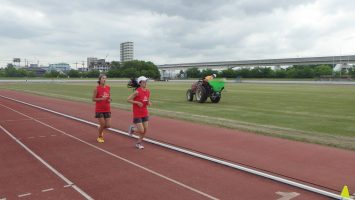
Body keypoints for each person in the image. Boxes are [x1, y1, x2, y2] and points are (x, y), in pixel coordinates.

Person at [127, 76, 151, 149]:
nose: (145, 83)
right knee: (141, 130)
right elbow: (128, 99)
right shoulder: (137, 91)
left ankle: (138, 143)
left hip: (145, 112)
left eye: (146, 82)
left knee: (145, 130)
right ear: (140, 83)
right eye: (144, 82)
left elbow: (146, 100)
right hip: (137, 113)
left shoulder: (148, 91)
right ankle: (132, 129)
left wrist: (148, 102)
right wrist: (137, 102)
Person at [92, 74, 111, 143]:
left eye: (105, 78)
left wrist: (109, 100)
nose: (104, 80)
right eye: (103, 78)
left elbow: (108, 97)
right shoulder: (96, 88)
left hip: (107, 109)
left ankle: (100, 128)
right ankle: (100, 136)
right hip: (99, 109)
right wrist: (101, 99)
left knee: (108, 125)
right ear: (99, 80)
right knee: (103, 124)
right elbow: (93, 99)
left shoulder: (108, 87)